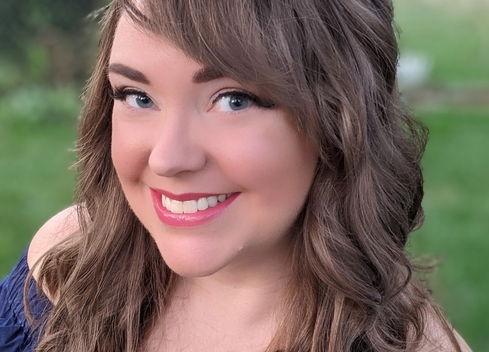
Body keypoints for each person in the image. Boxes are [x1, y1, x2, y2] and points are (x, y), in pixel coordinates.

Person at [0, 0, 472, 351]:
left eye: (234, 100)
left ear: (340, 119)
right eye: (137, 96)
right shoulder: (65, 264)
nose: (168, 158)